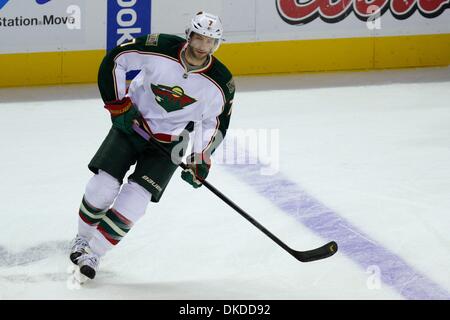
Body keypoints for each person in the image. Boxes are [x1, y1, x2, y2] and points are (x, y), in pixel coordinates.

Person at [69, 11, 235, 280]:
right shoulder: (159, 47)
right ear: (189, 35)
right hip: (132, 126)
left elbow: (214, 123)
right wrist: (118, 105)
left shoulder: (220, 82)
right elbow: (116, 60)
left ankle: (94, 254)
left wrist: (199, 158)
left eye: (210, 42)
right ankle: (82, 240)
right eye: (200, 38)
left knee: (136, 201)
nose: (203, 46)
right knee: (103, 186)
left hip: (170, 143)